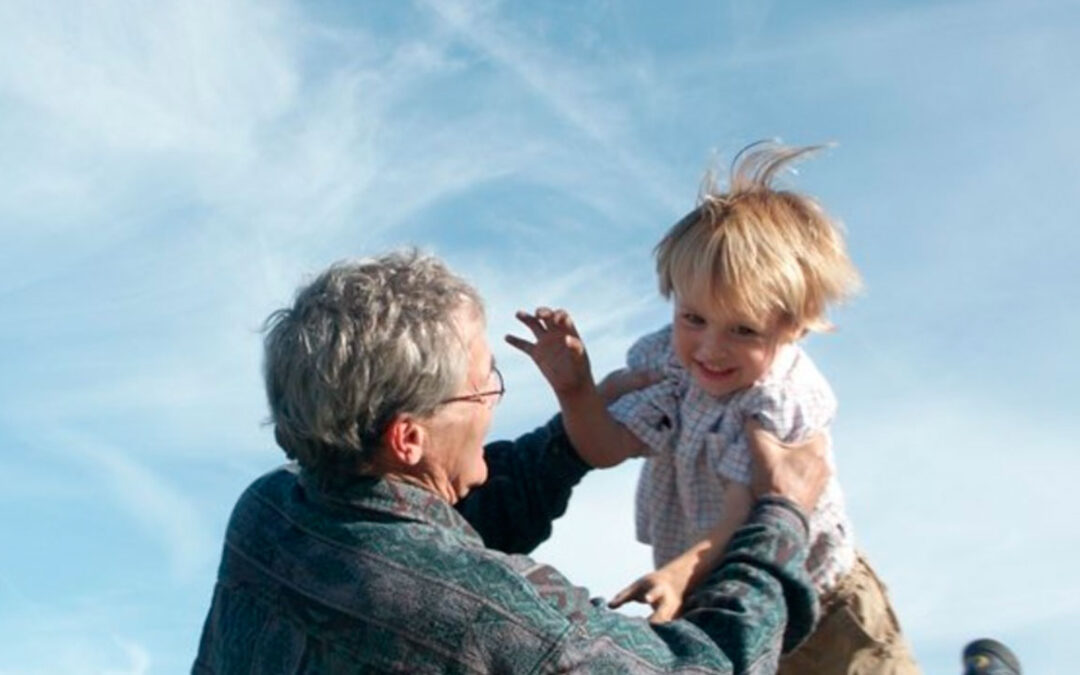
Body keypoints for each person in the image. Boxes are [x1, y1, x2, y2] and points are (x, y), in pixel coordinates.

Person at [193, 249, 831, 673]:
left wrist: (573, 432)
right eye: (483, 385)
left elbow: (432, 531)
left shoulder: (271, 513)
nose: (495, 402)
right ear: (408, 439)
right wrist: (781, 518)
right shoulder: (491, 617)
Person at [507, 142, 918, 674]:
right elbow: (606, 447)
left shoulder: (780, 398)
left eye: (743, 330)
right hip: (727, 603)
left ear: (792, 328)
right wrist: (577, 390)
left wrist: (678, 574)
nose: (710, 348)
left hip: (824, 606)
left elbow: (746, 510)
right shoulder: (670, 366)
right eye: (693, 318)